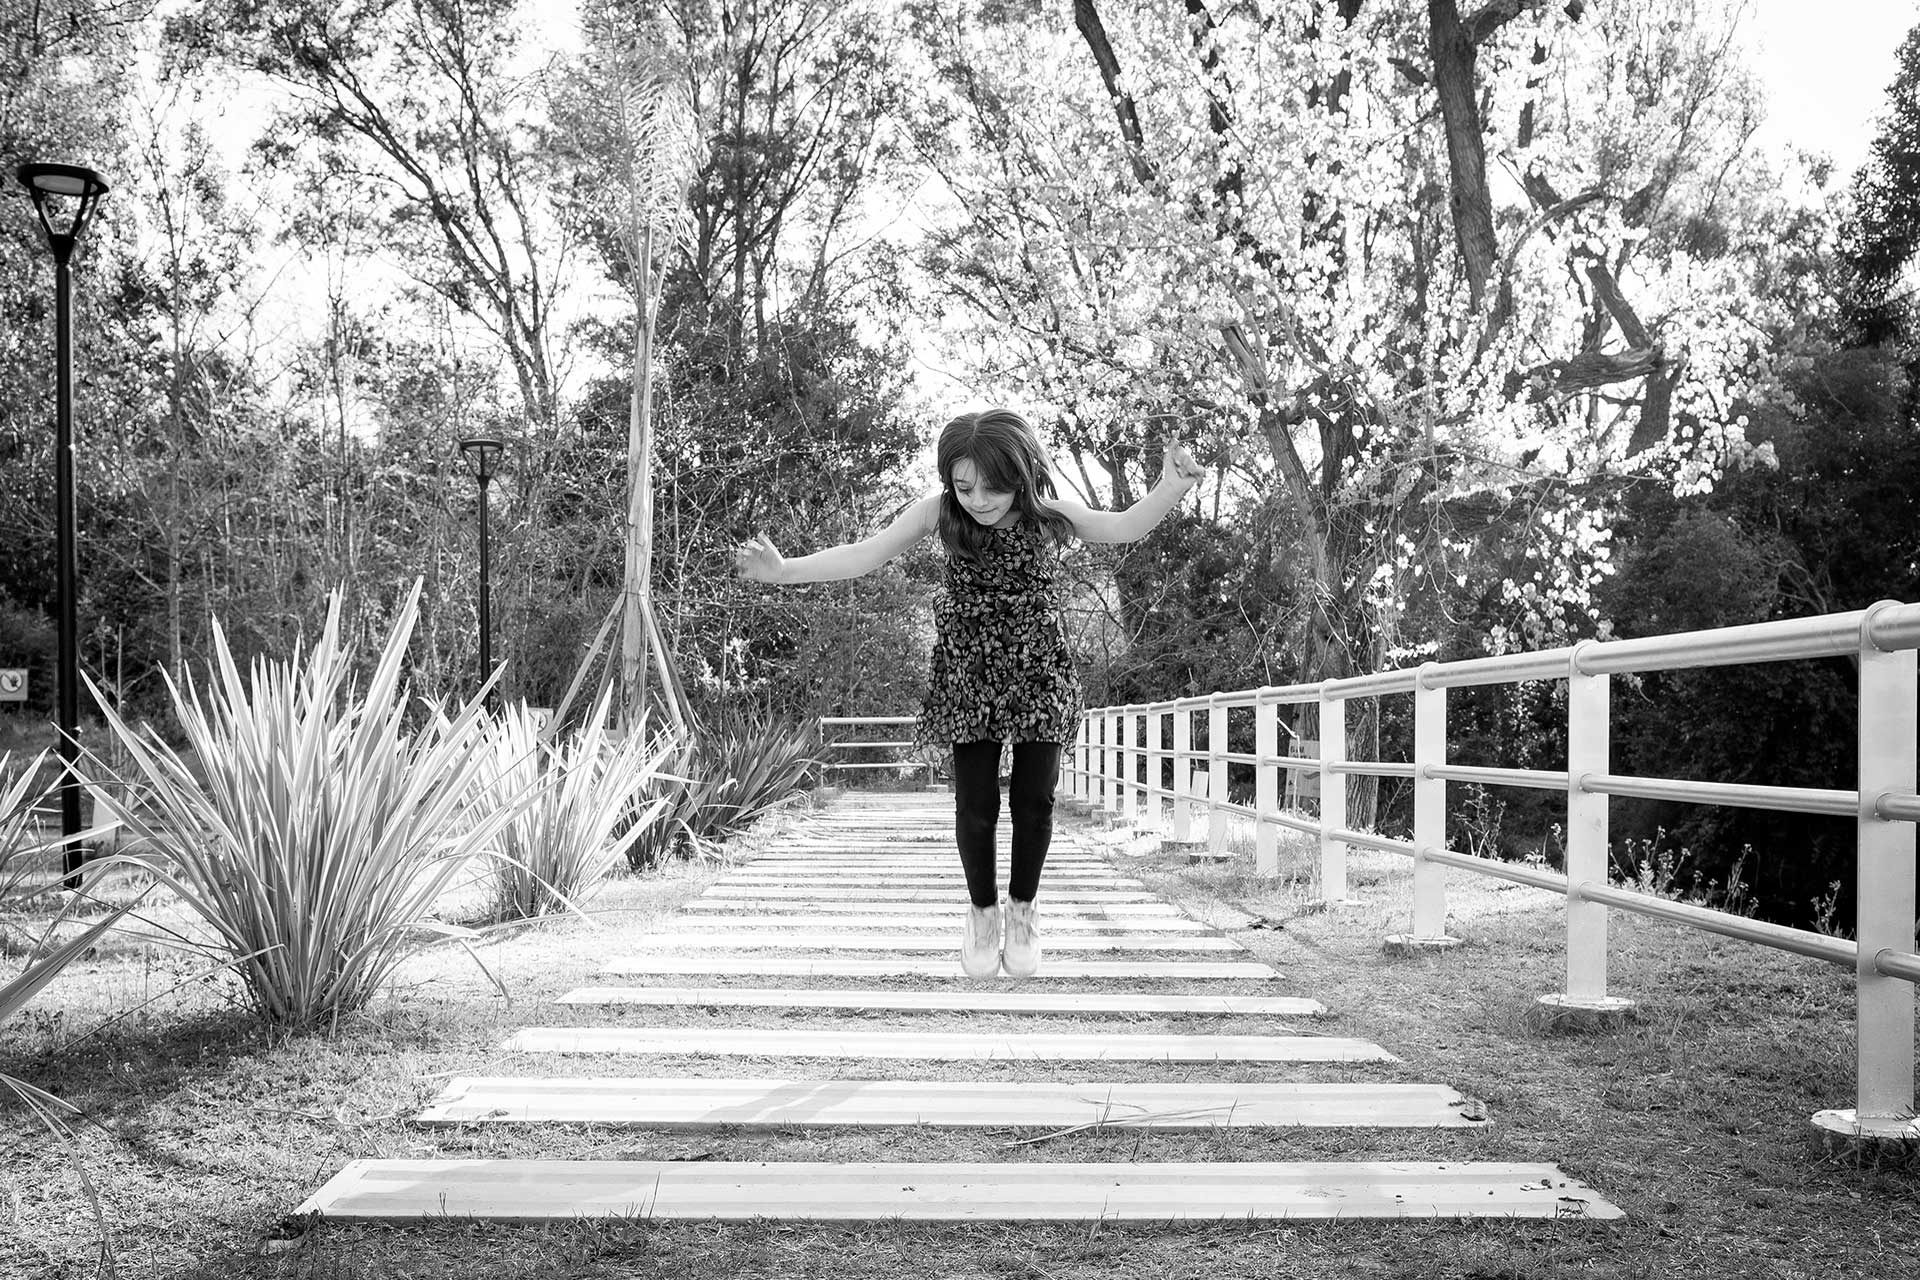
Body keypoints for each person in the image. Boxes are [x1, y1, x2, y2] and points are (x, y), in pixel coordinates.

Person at [735, 408, 1205, 978]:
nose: (978, 500)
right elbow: (865, 554)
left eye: (992, 488)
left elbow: (1123, 526)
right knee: (976, 805)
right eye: (964, 486)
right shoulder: (940, 513)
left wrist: (1169, 489)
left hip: (1039, 670)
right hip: (969, 673)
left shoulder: (1047, 514)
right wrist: (784, 570)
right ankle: (983, 914)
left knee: (1034, 801)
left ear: (1020, 476)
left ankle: (1023, 910)